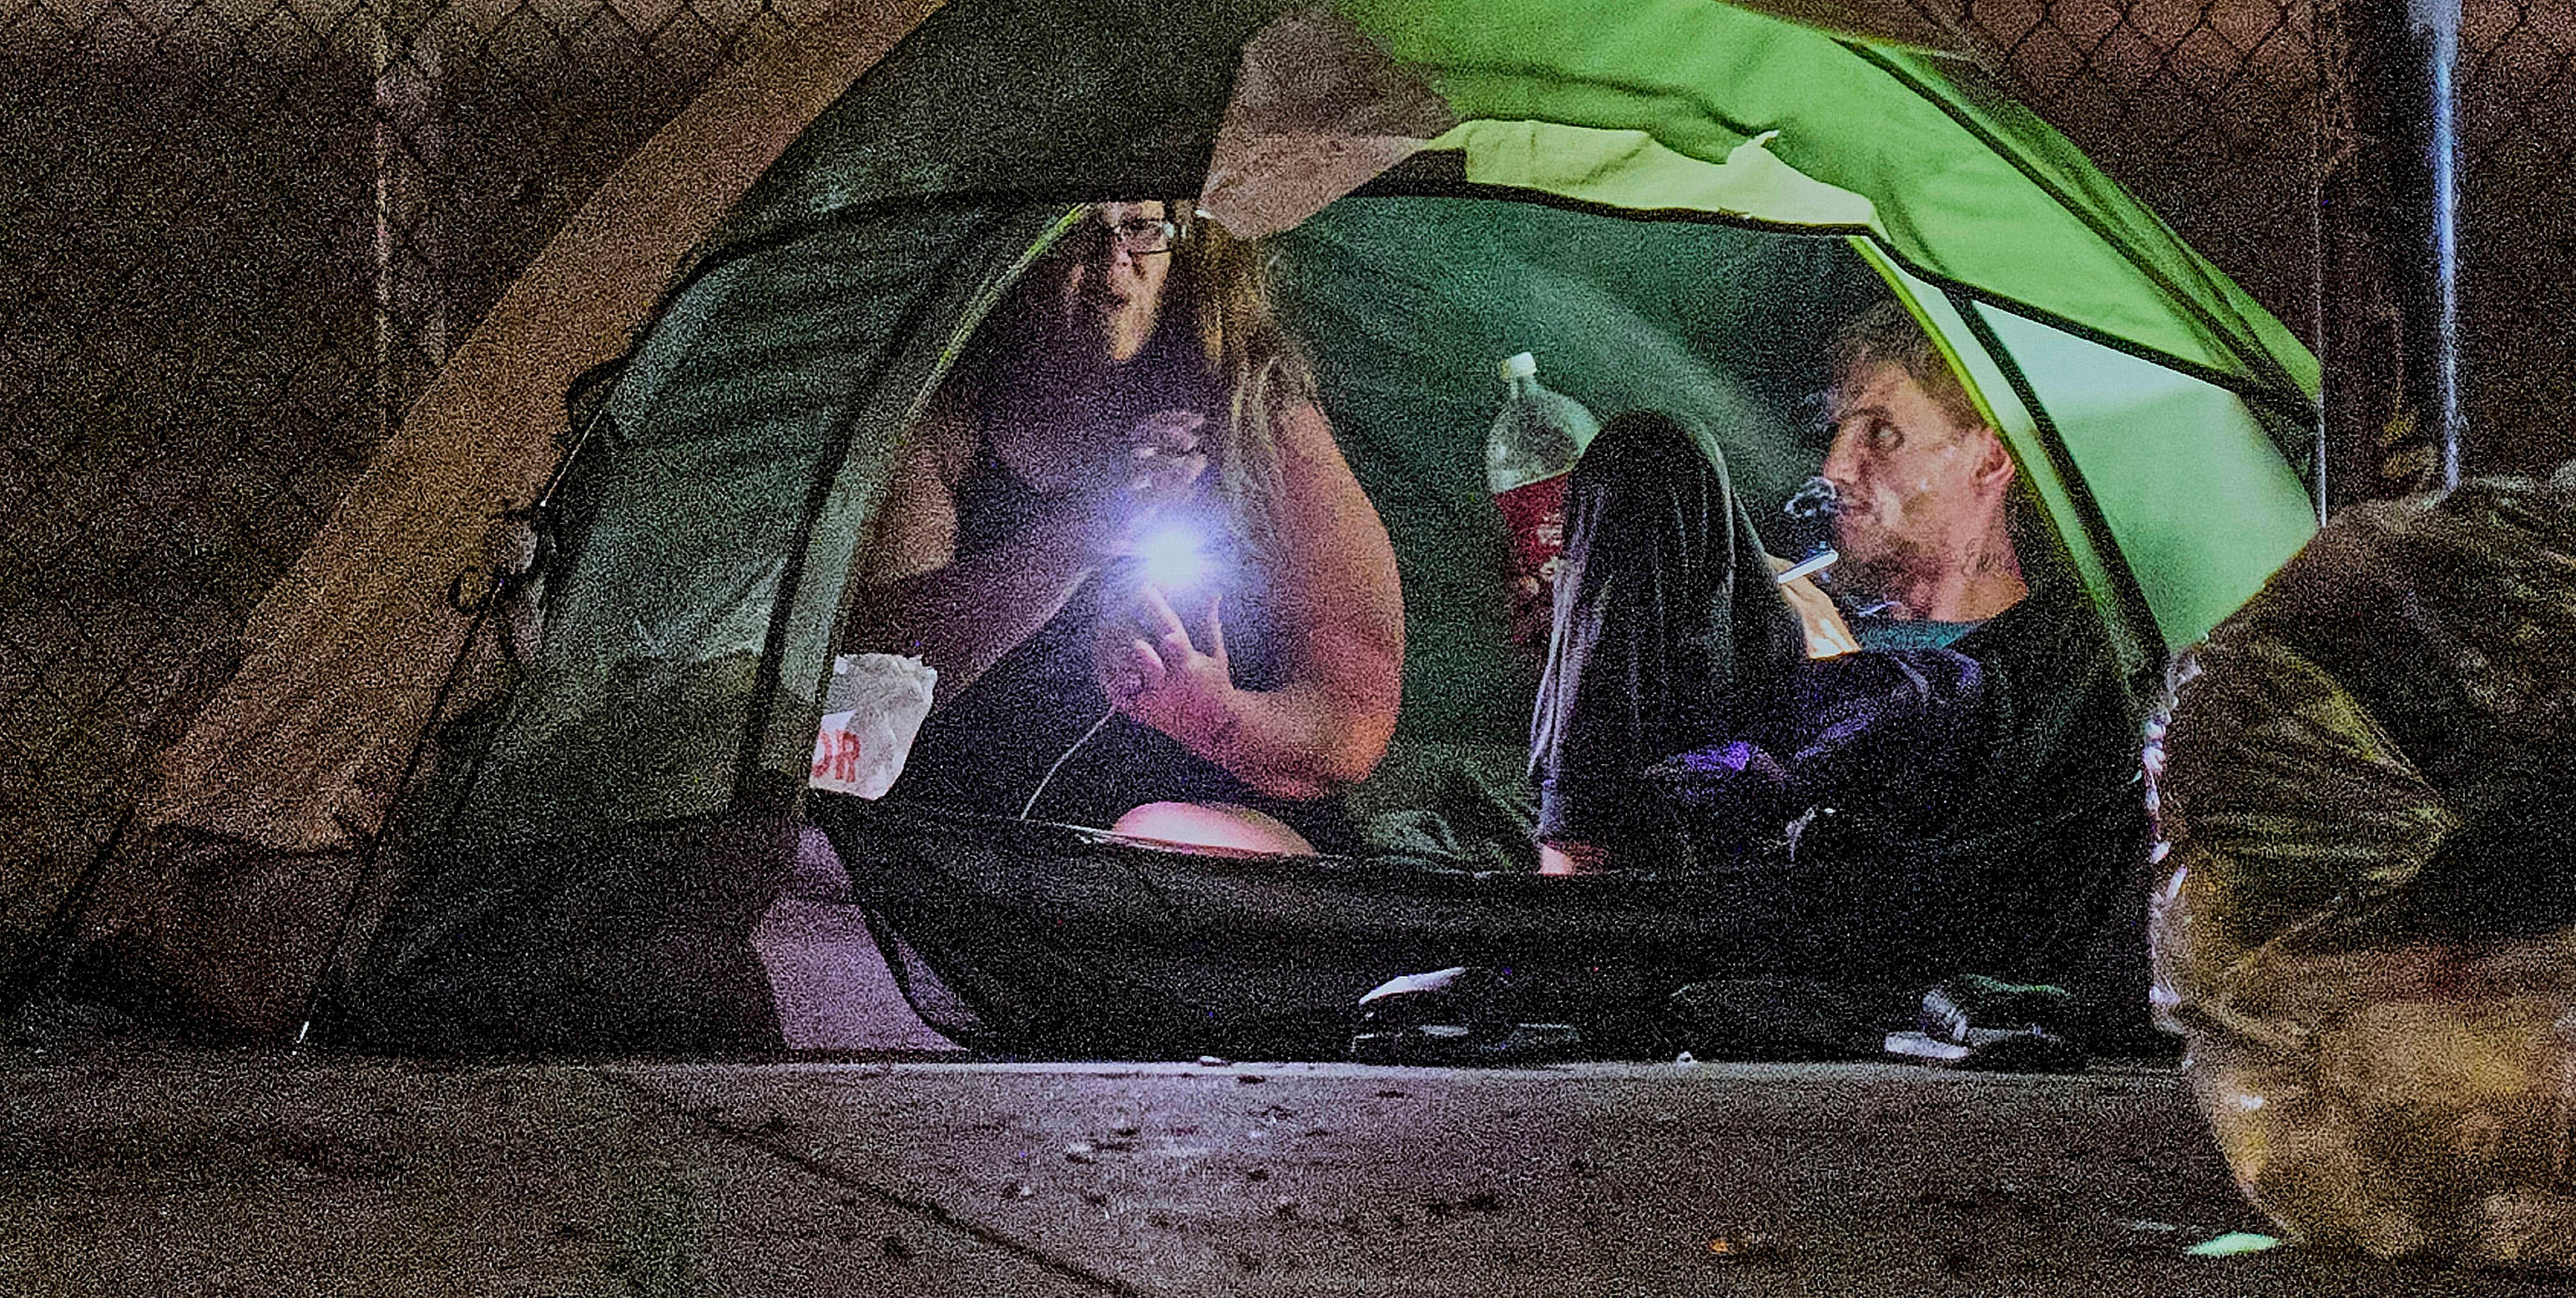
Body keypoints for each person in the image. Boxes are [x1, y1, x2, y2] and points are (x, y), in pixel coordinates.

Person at [841, 198, 1405, 854]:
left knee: (1157, 831)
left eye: (1140, 228)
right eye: (1077, 231)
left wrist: (1211, 714)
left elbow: (1352, 719)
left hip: (1218, 842)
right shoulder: (947, 419)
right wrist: (1084, 529)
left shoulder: (1255, 411)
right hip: (978, 846)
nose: (1114, 260)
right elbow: (869, 680)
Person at [1520, 304, 2062, 877]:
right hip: (1671, 783)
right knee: (1657, 461)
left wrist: (1835, 668)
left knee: (1654, 444)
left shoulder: (2002, 669)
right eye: (1837, 430)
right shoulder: (1797, 599)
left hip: (1769, 852)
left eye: (1881, 432)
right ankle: (1570, 868)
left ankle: (1570, 888)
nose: (1834, 467)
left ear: (1989, 457)